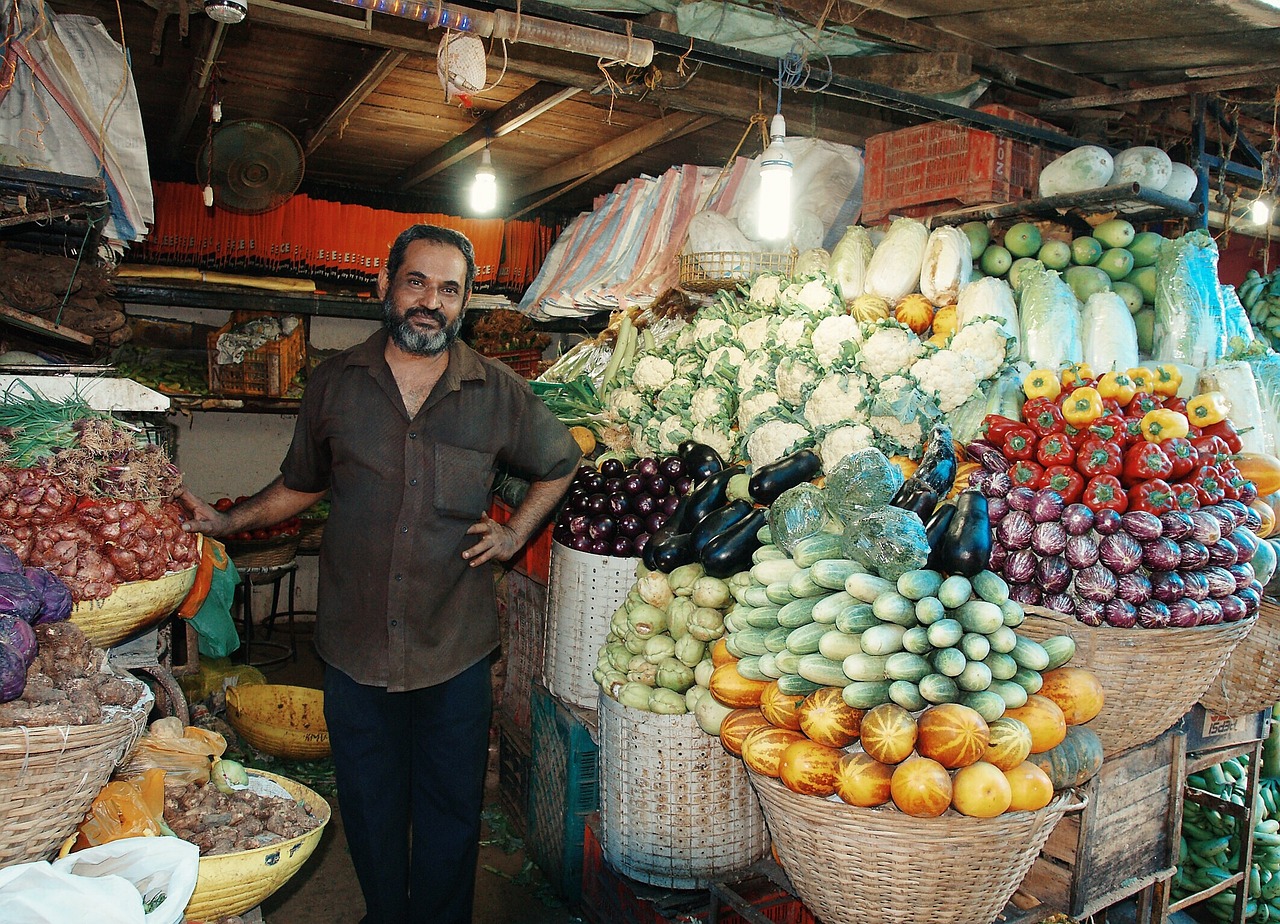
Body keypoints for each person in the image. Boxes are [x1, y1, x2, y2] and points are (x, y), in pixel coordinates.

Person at [178, 224, 580, 924]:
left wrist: (516, 534)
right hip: (354, 643)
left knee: (452, 810)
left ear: (465, 305)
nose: (431, 301)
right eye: (416, 281)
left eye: (449, 289)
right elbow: (300, 483)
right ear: (384, 287)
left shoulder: (496, 391)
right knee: (367, 803)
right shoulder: (335, 383)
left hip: (452, 645)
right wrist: (230, 523)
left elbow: (560, 460)